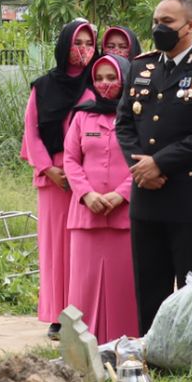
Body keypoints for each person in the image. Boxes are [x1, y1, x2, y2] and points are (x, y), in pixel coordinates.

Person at [117, 0, 192, 336]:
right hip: (146, 198)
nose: (158, 28)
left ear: (191, 26)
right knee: (149, 287)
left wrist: (160, 163)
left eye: (167, 22)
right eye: (156, 21)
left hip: (190, 199)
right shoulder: (140, 66)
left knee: (191, 289)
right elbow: (124, 124)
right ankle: (150, 353)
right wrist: (140, 167)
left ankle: (188, 357)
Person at [23, 19, 97, 339]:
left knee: (83, 246)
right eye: (76, 42)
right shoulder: (43, 87)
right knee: (56, 247)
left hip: (86, 174)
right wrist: (48, 169)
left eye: (88, 42)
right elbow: (32, 131)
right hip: (54, 176)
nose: (83, 49)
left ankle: (82, 311)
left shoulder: (99, 83)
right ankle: (57, 315)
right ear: (64, 45)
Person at [61, 54, 136, 342]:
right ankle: (81, 348)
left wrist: (121, 195)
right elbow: (70, 159)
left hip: (124, 217)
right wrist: (86, 194)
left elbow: (145, 159)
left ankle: (126, 346)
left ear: (126, 79)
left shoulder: (136, 116)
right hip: (86, 215)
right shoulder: (81, 116)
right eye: (100, 78)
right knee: (84, 285)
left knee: (123, 288)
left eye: (112, 78)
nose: (105, 84)